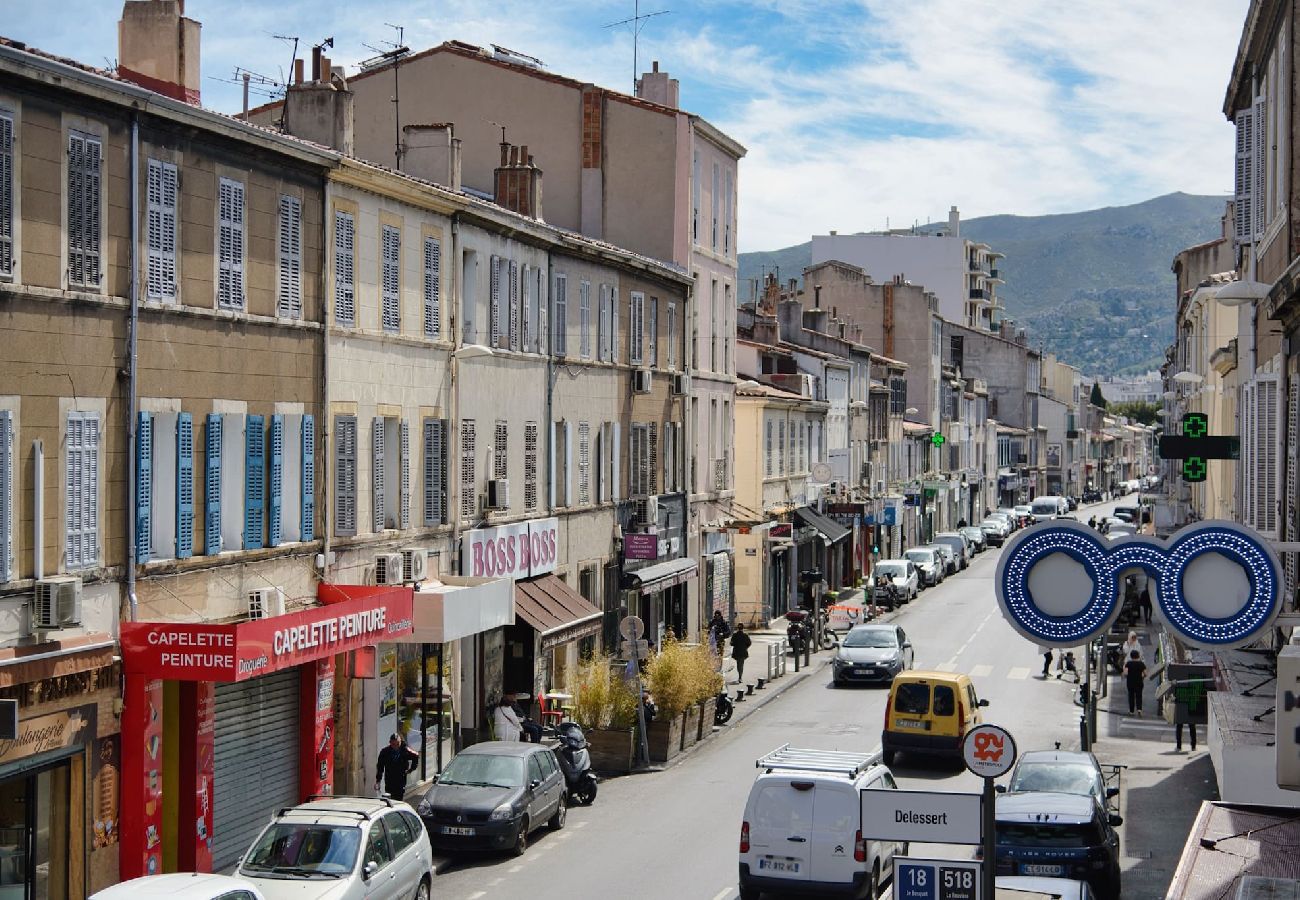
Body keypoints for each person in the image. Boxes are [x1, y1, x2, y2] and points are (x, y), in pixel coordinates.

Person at [375, 733, 419, 799]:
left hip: (400, 781)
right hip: (389, 781)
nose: (396, 746)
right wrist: (378, 781)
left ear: (400, 742)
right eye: (393, 744)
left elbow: (416, 755)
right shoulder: (385, 752)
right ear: (390, 743)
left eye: (398, 744)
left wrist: (411, 769)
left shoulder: (405, 751)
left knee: (398, 799)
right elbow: (380, 767)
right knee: (390, 799)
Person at [1124, 650, 1148, 715]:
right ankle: (1139, 709)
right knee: (1139, 695)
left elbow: (1125, 673)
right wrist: (1142, 676)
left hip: (1130, 682)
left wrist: (1128, 676)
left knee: (1131, 696)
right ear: (1138, 656)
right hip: (1139, 682)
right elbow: (1145, 674)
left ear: (1131, 656)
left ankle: (1131, 711)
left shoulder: (1128, 663)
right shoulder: (1141, 664)